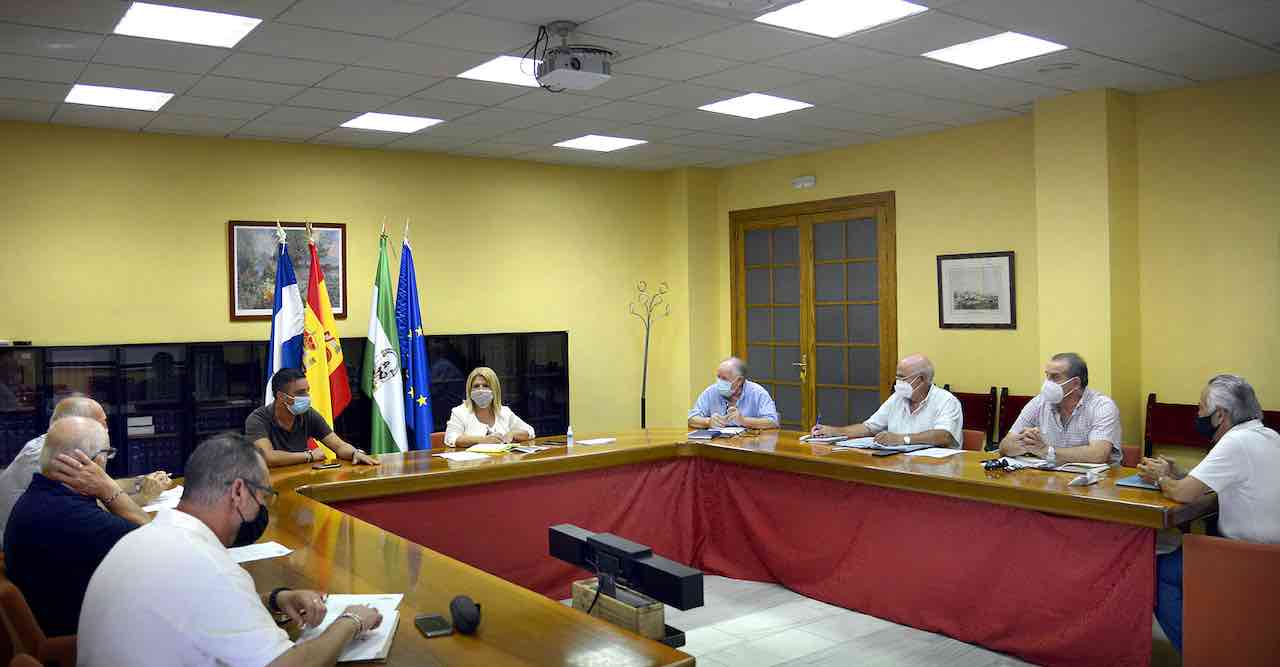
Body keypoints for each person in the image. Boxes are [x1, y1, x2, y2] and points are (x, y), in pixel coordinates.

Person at [78, 434, 383, 666]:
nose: (264, 508)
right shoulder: (208, 568)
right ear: (239, 492)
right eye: (264, 496)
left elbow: (199, 607)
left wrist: (276, 599)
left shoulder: (147, 537)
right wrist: (351, 622)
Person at [1137, 374, 1280, 652]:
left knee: (1156, 574)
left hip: (1246, 558)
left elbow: (1182, 494)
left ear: (1221, 415)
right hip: (1269, 554)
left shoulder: (1235, 442)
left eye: (1202, 407)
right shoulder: (1267, 435)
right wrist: (1177, 475)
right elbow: (1211, 484)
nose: (1198, 413)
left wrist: (1159, 479)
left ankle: (1200, 652)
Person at [3, 416, 150, 636]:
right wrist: (108, 487)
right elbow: (153, 540)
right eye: (107, 453)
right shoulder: (79, 519)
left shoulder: (40, 496)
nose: (107, 460)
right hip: (83, 641)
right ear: (92, 463)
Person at [0, 395, 169, 546]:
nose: (107, 428)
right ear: (80, 425)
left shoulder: (53, 445)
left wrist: (139, 481)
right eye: (103, 423)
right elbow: (90, 508)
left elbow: (97, 485)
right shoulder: (51, 456)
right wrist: (143, 497)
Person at [810, 354, 962, 448]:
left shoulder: (946, 401)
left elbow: (944, 436)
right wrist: (834, 431)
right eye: (897, 377)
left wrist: (902, 439)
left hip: (937, 470)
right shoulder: (897, 398)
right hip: (899, 465)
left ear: (921, 379)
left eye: (902, 377)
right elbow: (869, 427)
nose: (897, 382)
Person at [998, 353, 1122, 464]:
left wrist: (1046, 450)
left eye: (1055, 377)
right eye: (1047, 376)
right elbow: (1004, 446)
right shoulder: (1039, 402)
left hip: (1097, 482)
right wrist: (1027, 442)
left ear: (1075, 383)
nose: (1047, 383)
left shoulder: (1102, 406)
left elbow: (1098, 454)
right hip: (1051, 480)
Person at [246, 368, 379, 467]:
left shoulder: (308, 414)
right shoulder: (258, 419)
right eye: (300, 393)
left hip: (300, 477)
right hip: (270, 481)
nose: (307, 397)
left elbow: (338, 445)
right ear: (281, 397)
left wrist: (355, 453)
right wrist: (309, 456)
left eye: (307, 391)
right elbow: (267, 457)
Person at [444, 366, 535, 447]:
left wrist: (512, 434)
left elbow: (530, 431)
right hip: (472, 464)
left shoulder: (504, 412)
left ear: (494, 389)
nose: (481, 390)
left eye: (486, 386)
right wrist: (483, 440)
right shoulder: (460, 412)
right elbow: (451, 438)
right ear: (469, 390)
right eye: (476, 386)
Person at [688, 357, 779, 430]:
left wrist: (743, 421)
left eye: (724, 378)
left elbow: (772, 422)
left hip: (749, 447)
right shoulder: (711, 391)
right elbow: (692, 419)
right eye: (718, 377)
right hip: (717, 445)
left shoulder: (757, 393)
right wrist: (708, 422)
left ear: (739, 380)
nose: (719, 382)